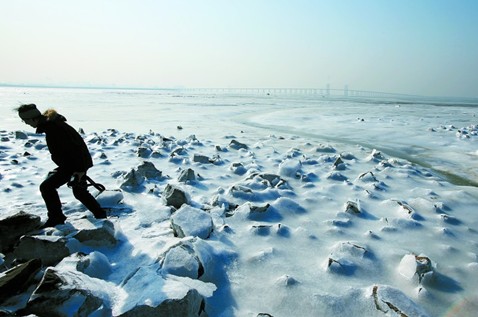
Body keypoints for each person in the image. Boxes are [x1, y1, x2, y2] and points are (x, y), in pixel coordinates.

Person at [17, 104, 106, 228]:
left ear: (33, 118)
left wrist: (80, 170)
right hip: (73, 163)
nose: (25, 123)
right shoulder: (52, 125)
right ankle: (100, 214)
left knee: (47, 187)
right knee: (79, 191)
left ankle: (56, 218)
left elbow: (77, 148)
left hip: (73, 164)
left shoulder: (54, 128)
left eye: (25, 120)